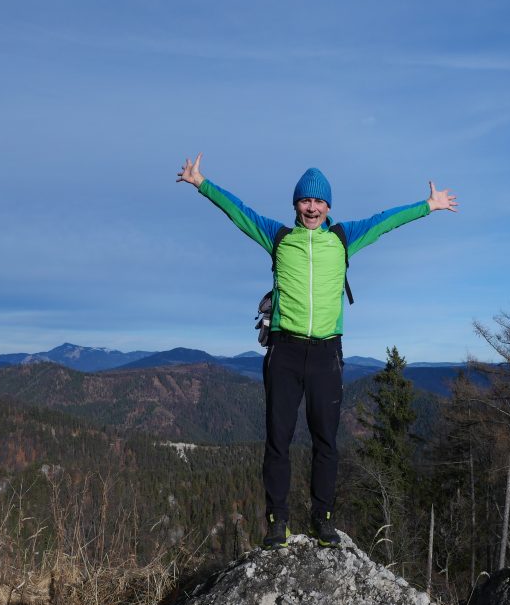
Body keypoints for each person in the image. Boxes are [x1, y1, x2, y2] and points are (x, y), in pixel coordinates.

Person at [177, 153, 457, 548]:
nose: (312, 208)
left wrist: (428, 206)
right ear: (296, 205)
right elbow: (239, 212)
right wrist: (202, 184)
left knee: (326, 440)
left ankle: (323, 520)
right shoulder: (277, 237)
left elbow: (384, 222)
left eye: (319, 202)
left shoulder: (343, 238)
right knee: (279, 439)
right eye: (305, 201)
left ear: (328, 207)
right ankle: (277, 522)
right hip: (284, 352)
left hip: (327, 354)